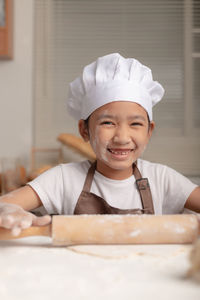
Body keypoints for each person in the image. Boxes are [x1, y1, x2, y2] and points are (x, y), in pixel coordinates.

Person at [0, 53, 199, 236]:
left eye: (135, 124)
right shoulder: (63, 179)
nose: (122, 137)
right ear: (84, 130)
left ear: (149, 132)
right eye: (108, 123)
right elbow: (4, 205)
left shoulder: (162, 179)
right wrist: (8, 210)